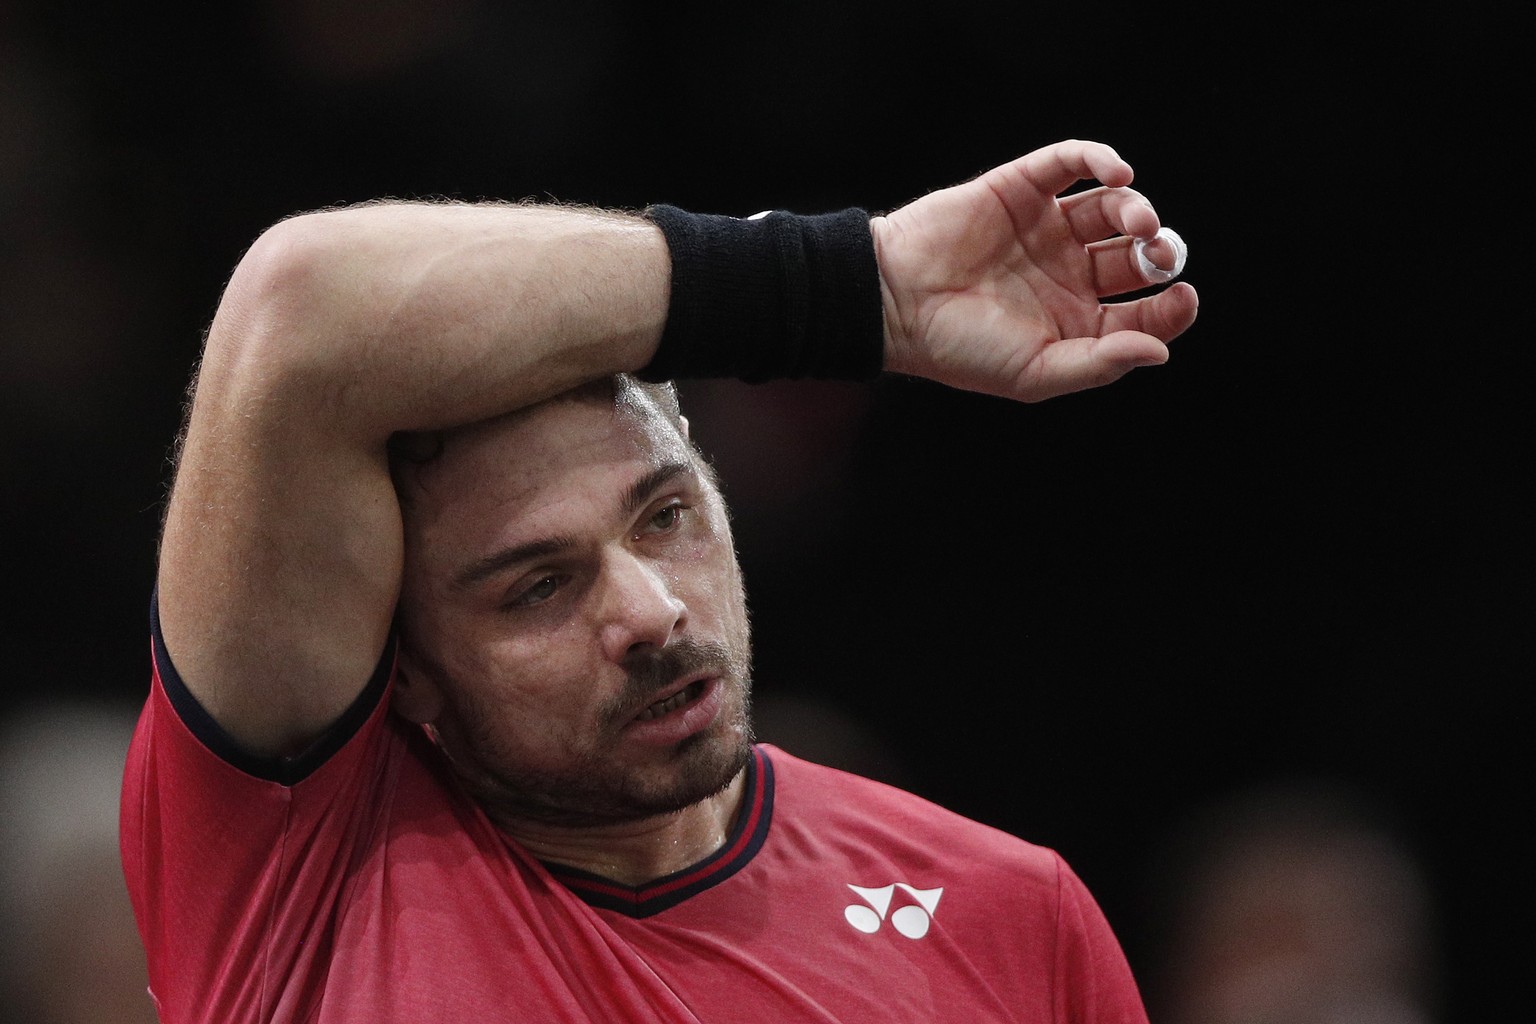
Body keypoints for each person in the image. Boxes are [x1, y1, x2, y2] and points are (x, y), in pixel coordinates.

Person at [121, 138, 1199, 1023]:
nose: (650, 610)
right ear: (401, 670)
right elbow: (304, 310)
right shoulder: (291, 871)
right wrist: (855, 286)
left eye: (666, 515)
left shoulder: (1010, 914)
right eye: (537, 586)